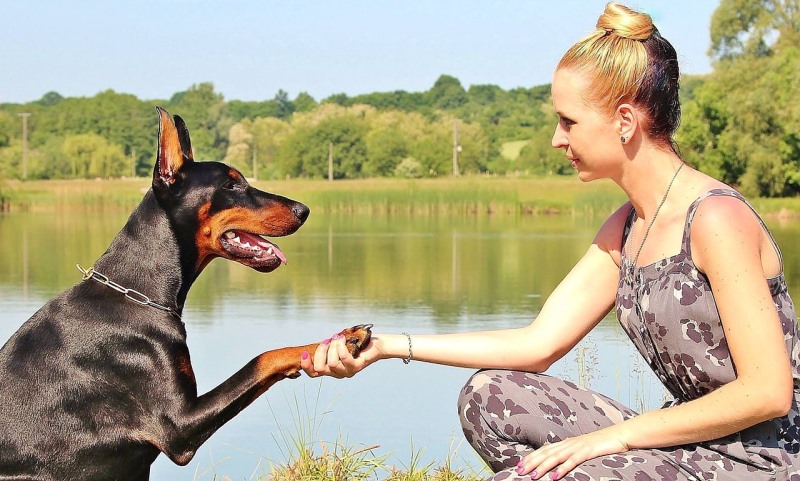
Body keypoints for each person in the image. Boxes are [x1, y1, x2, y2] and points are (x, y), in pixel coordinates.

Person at [300, 3, 800, 480]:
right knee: (488, 396)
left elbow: (768, 392)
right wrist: (388, 346)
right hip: (685, 447)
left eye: (568, 121)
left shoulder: (715, 218)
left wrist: (619, 438)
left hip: (762, 464)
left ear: (625, 122)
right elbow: (536, 344)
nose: (557, 139)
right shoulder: (626, 227)